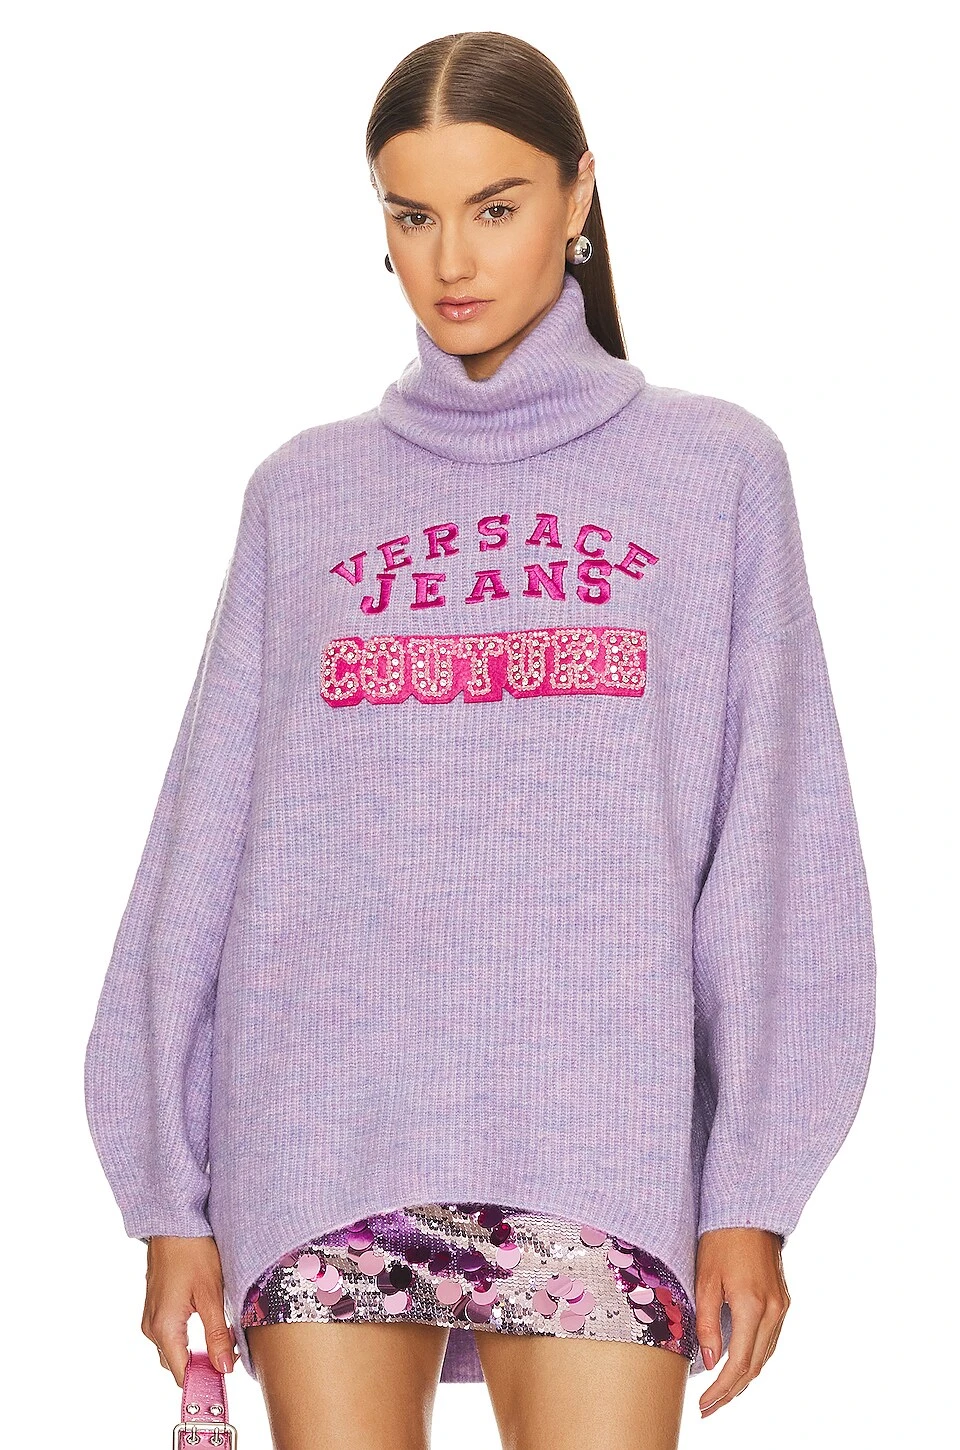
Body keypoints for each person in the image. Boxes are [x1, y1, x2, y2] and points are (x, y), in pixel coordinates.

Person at [83, 30, 876, 1450]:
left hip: (600, 1141)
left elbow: (775, 850)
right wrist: (166, 1193)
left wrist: (753, 1187)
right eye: (412, 215)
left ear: (579, 197)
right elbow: (199, 849)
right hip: (321, 1134)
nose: (450, 259)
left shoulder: (716, 473)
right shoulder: (303, 495)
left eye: (495, 207)